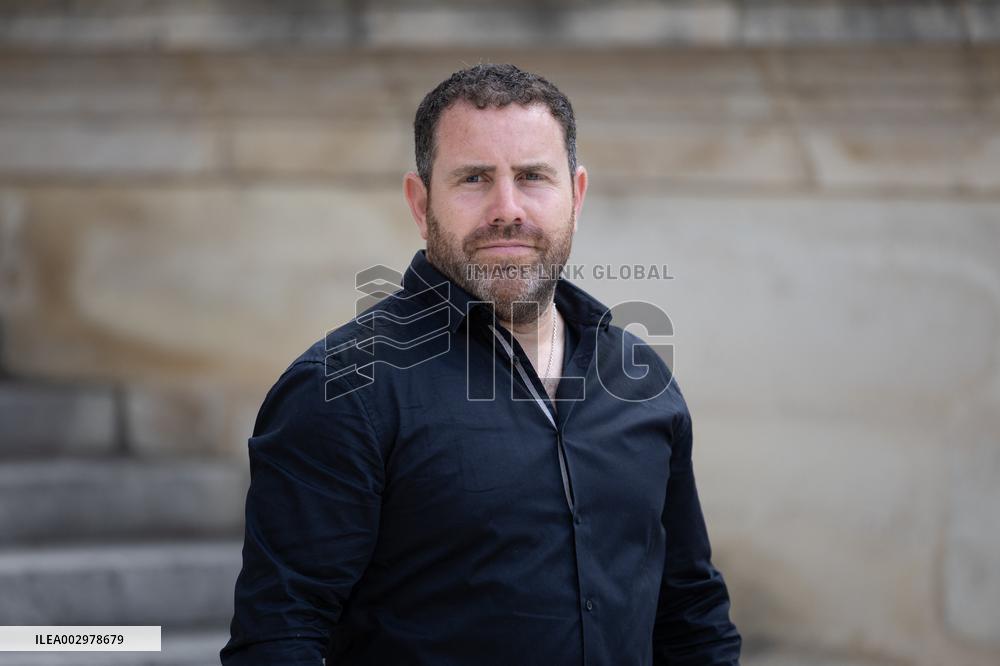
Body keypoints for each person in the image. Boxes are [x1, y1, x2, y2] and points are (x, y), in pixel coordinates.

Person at [221, 63, 741, 665]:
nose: (507, 208)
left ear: (575, 196)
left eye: (532, 177)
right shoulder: (344, 387)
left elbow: (690, 614)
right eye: (473, 178)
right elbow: (279, 637)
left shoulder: (639, 378)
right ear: (421, 203)